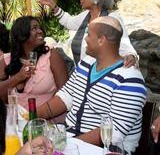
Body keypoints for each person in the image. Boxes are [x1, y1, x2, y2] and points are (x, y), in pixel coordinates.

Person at [37, 16, 147, 154]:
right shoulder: (86, 64)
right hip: (70, 139)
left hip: (103, 149)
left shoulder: (130, 79)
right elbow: (64, 97)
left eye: (88, 34)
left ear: (101, 40)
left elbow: (113, 133)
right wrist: (31, 116)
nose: (85, 39)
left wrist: (66, 146)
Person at [36, 0, 138, 68]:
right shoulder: (85, 16)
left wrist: (131, 56)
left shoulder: (112, 19)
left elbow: (125, 46)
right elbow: (68, 22)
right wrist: (53, 5)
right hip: (82, 79)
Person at [0, 16, 68, 108]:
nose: (40, 31)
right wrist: (17, 78)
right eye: (34, 28)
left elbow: (65, 92)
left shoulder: (51, 56)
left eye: (39, 28)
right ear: (22, 34)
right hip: (16, 119)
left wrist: (36, 115)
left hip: (47, 118)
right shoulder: (6, 60)